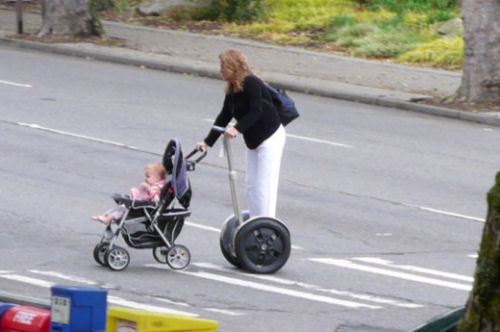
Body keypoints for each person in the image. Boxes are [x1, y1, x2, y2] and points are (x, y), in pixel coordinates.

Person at [197, 49, 286, 218]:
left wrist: (237, 128)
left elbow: (256, 110)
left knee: (265, 184)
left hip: (270, 138)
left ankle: (267, 223)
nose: (220, 71)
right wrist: (207, 142)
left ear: (233, 67)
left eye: (223, 66)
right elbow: (224, 116)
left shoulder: (250, 83)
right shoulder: (232, 90)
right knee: (251, 184)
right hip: (253, 140)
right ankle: (255, 220)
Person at [91, 162, 167, 225]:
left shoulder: (156, 188)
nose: (145, 178)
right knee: (121, 206)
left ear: (157, 178)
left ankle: (108, 219)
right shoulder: (154, 185)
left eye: (148, 176)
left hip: (144, 208)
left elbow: (156, 199)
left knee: (122, 209)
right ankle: (105, 215)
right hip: (142, 205)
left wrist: (150, 191)